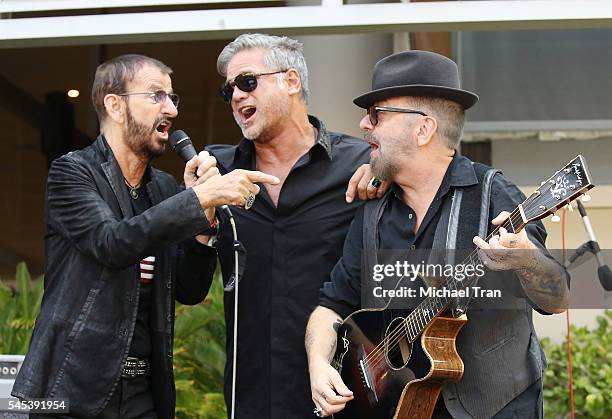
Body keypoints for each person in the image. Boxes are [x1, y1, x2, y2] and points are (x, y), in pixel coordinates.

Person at [305, 50, 570, 419]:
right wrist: (319, 364)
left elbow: (557, 298)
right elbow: (331, 303)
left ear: (423, 128)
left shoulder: (494, 195)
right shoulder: (373, 211)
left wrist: (526, 259)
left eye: (376, 114)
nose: (364, 125)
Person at [12, 54, 278, 419]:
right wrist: (198, 199)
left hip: (143, 392)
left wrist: (204, 219)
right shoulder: (72, 172)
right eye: (156, 96)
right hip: (72, 388)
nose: (170, 109)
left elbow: (189, 289)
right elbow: (112, 243)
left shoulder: (164, 189)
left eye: (173, 98)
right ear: (115, 105)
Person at [204, 33, 383, 419]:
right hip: (249, 397)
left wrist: (385, 173)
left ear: (291, 81)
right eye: (229, 90)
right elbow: (188, 283)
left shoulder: (360, 164)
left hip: (343, 396)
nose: (236, 96)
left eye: (247, 82)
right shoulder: (216, 173)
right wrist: (195, 210)